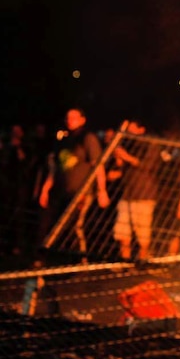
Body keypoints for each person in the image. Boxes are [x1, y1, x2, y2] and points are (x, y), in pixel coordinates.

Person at [36, 108, 110, 260]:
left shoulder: (88, 138)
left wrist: (102, 190)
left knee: (75, 226)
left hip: (81, 191)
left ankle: (80, 259)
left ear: (83, 119)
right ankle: (61, 258)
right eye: (68, 117)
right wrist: (45, 190)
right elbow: (55, 169)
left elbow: (98, 165)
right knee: (59, 225)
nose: (70, 120)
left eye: (74, 117)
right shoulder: (64, 140)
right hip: (62, 191)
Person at [111, 121, 160, 260]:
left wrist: (126, 157)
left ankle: (142, 261)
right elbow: (122, 168)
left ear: (141, 128)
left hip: (144, 195)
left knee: (142, 233)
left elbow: (147, 165)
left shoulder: (151, 144)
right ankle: (124, 261)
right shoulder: (127, 143)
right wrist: (119, 160)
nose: (127, 130)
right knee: (122, 232)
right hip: (127, 194)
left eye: (130, 127)